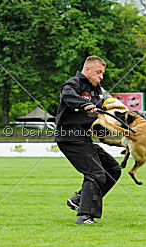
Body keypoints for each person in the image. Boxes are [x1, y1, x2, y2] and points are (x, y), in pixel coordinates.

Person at [55, 56, 123, 224]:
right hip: (69, 137)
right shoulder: (73, 84)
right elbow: (67, 96)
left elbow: (109, 101)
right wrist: (83, 104)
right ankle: (84, 216)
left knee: (113, 169)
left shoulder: (98, 89)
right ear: (87, 70)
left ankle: (79, 199)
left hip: (83, 138)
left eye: (102, 74)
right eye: (98, 73)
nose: (101, 77)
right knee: (95, 173)